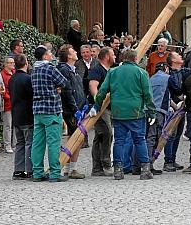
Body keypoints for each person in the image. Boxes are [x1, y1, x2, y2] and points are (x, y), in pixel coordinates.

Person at [90, 49, 155, 181]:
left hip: (118, 112)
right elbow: (148, 94)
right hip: (136, 112)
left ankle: (118, 170)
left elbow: (102, 91)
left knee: (119, 141)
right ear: (135, 59)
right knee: (139, 139)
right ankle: (145, 169)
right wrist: (152, 112)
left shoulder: (113, 72)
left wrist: (96, 106)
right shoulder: (141, 73)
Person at [30, 45, 69, 182]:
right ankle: (54, 173)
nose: (51, 54)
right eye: (50, 53)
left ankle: (37, 173)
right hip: (52, 110)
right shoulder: (50, 68)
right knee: (53, 143)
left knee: (38, 143)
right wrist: (57, 88)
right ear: (45, 56)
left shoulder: (34, 70)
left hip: (37, 110)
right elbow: (64, 82)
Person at [56, 44, 87, 179]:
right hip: (71, 110)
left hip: (77, 107)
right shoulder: (64, 70)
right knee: (75, 138)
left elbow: (78, 89)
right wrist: (75, 109)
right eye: (73, 51)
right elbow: (67, 91)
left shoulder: (72, 70)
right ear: (68, 56)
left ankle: (70, 168)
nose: (76, 52)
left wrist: (84, 103)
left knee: (77, 139)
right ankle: (70, 168)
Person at [88, 47, 115, 177]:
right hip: (100, 108)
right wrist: (98, 104)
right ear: (106, 57)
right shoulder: (97, 70)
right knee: (107, 132)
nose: (115, 56)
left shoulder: (110, 71)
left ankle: (97, 168)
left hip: (108, 108)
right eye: (113, 54)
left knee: (100, 135)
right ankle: (106, 163)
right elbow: (93, 86)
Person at [166, 51, 191, 171]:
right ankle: (168, 161)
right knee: (170, 134)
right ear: (173, 61)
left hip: (182, 107)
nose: (180, 56)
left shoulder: (184, 72)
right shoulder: (169, 74)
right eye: (177, 55)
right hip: (173, 107)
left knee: (177, 135)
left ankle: (173, 158)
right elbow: (173, 90)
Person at [9, 54, 33, 180]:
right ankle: (30, 170)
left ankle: (18, 170)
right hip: (27, 115)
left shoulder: (12, 79)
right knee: (30, 143)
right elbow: (31, 96)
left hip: (16, 115)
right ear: (26, 63)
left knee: (20, 143)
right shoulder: (28, 79)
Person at [147, 60, 172, 175]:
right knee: (154, 137)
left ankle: (145, 163)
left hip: (149, 110)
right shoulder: (167, 78)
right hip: (159, 111)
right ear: (165, 68)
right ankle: (148, 164)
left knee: (149, 136)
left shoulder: (151, 79)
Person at [0, 57, 16, 154]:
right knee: (8, 125)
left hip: (15, 102)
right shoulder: (2, 74)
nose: (12, 64)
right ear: (5, 64)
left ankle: (15, 144)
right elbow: (3, 89)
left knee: (15, 125)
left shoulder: (14, 73)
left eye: (13, 63)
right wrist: (9, 97)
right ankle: (7, 145)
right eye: (10, 63)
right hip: (7, 103)